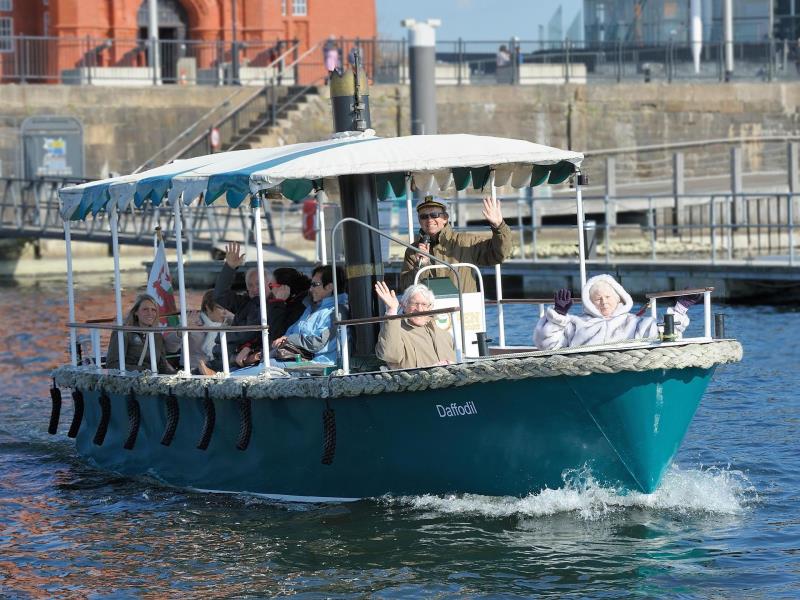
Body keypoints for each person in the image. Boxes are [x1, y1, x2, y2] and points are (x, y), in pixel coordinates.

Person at [533, 274, 699, 350]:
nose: (604, 302)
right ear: (589, 303)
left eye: (608, 296)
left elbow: (668, 334)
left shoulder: (635, 323)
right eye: (598, 298)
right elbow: (547, 345)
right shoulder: (577, 324)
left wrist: (681, 308)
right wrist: (559, 316)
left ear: (619, 298)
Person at [400, 195, 514, 293]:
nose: (429, 219)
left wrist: (499, 227)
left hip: (464, 311)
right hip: (429, 315)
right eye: (424, 216)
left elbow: (499, 254)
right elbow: (406, 288)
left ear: (445, 218)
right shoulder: (412, 251)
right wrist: (420, 267)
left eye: (434, 215)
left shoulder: (466, 242)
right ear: (419, 221)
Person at [229, 267, 311, 368]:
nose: (270, 289)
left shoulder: (298, 308)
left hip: (280, 360)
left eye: (271, 286)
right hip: (263, 354)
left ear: (284, 288)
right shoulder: (281, 305)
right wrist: (248, 347)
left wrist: (278, 303)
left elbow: (275, 334)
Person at [268, 264, 348, 366]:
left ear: (329, 287)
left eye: (315, 284)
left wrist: (290, 339)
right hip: (300, 360)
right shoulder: (311, 308)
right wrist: (285, 338)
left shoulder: (337, 312)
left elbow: (320, 343)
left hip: (321, 366)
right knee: (263, 366)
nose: (310, 289)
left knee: (264, 369)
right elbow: (292, 330)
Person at [210, 241, 270, 365]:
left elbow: (247, 334)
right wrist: (229, 267)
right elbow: (219, 296)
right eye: (250, 285)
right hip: (223, 354)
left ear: (269, 284)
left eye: (259, 284)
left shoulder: (272, 305)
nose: (254, 289)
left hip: (236, 357)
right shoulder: (245, 302)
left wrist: (224, 337)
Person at [374, 282, 456, 370]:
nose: (419, 309)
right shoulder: (396, 332)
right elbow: (390, 355)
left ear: (430, 307)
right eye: (414, 304)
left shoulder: (445, 335)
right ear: (403, 306)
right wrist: (391, 311)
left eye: (424, 304)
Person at [165, 290, 232, 372]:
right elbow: (170, 347)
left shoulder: (228, 323)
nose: (225, 312)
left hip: (221, 370)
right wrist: (182, 330)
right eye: (221, 308)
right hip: (193, 372)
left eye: (227, 307)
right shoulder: (192, 321)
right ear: (208, 307)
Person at [106, 293, 174, 373]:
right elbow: (112, 364)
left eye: (153, 310)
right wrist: (143, 370)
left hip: (152, 380)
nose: (150, 313)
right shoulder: (123, 332)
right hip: (129, 380)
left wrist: (178, 377)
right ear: (136, 312)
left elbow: (162, 366)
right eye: (145, 309)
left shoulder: (157, 336)